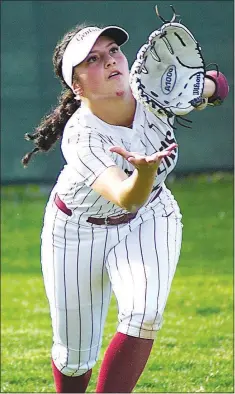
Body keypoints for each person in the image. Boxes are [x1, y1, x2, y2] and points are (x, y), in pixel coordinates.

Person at [22, 23, 218, 393]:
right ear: (76, 87)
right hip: (77, 230)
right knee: (74, 355)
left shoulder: (154, 94)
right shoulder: (82, 137)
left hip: (150, 219)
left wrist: (201, 87)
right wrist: (145, 170)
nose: (111, 61)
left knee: (144, 314)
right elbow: (126, 195)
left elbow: (217, 84)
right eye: (93, 60)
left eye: (113, 50)